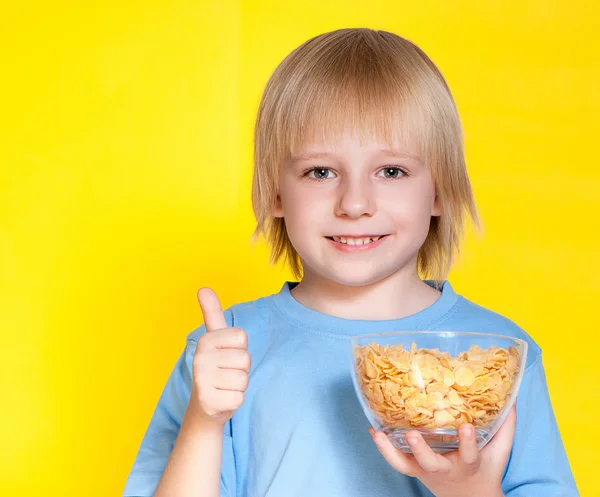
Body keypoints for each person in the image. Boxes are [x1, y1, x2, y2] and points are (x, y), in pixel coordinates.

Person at [123, 28, 578, 497]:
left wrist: (471, 489)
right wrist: (205, 421)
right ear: (276, 192)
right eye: (321, 172)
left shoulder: (501, 358)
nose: (355, 203)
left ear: (439, 189)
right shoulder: (222, 352)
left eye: (391, 171)